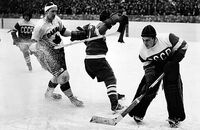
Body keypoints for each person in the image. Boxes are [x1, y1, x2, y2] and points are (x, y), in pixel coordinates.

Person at [128, 25, 187, 128]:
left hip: (171, 62)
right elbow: (147, 65)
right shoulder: (143, 51)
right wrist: (150, 79)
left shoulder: (167, 38)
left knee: (172, 88)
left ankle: (175, 116)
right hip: (156, 66)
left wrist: (173, 62)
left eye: (148, 40)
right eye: (143, 40)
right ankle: (137, 112)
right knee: (148, 87)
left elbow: (184, 46)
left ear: (154, 38)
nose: (145, 43)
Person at [30, 2, 87, 107]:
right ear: (46, 12)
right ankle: (72, 98)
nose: (55, 13)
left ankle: (48, 94)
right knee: (63, 76)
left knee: (58, 75)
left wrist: (75, 34)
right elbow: (33, 43)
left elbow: (63, 31)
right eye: (52, 11)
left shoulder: (57, 20)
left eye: (56, 11)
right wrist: (40, 51)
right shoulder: (40, 26)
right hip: (48, 55)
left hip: (60, 51)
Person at [72, 10, 128, 112]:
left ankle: (113, 94)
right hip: (97, 59)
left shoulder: (90, 25)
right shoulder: (101, 26)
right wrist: (112, 21)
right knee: (110, 78)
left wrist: (77, 36)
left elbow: (78, 29)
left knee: (107, 77)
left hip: (89, 60)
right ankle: (114, 104)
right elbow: (103, 28)